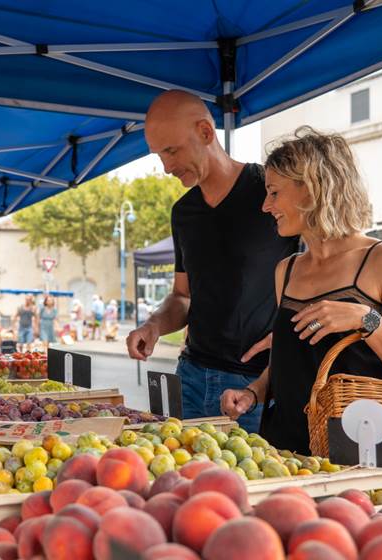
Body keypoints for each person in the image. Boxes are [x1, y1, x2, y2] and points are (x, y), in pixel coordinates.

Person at [220, 126, 382, 454]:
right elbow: (295, 361)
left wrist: (366, 319)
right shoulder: (287, 270)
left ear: (310, 190)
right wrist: (254, 391)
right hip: (286, 449)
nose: (266, 206)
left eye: (274, 192)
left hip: (362, 452)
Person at [126, 90, 298, 431]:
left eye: (171, 151)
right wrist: (154, 326)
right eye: (159, 155)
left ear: (206, 132)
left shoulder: (271, 193)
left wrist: (291, 335)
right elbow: (182, 296)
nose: (166, 167)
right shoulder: (183, 213)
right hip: (190, 379)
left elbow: (317, 280)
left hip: (256, 388)